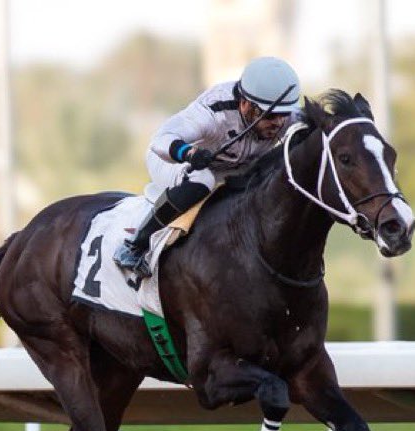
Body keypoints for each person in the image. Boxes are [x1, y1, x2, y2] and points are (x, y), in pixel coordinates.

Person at [113, 56, 302, 278]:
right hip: (175, 163)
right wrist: (189, 153)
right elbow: (160, 140)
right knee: (203, 180)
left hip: (230, 169)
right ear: (245, 104)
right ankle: (135, 246)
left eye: (284, 114)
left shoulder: (283, 114)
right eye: (271, 116)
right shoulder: (212, 112)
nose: (279, 123)